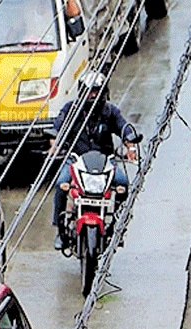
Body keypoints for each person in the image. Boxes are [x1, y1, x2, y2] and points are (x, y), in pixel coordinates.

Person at [47, 71, 140, 250]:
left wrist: (131, 147)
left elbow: (124, 129)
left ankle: (117, 226)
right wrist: (55, 146)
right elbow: (56, 131)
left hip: (105, 162)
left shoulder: (110, 111)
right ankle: (60, 230)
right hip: (75, 160)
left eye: (96, 92)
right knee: (60, 184)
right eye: (89, 92)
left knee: (123, 183)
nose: (92, 96)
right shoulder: (70, 109)